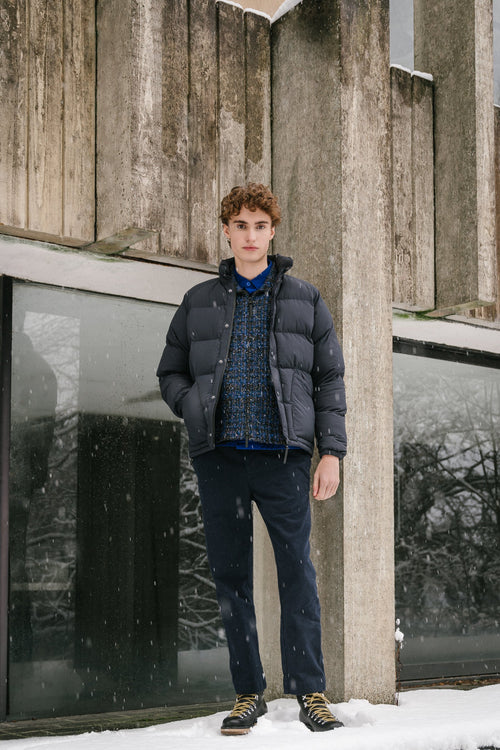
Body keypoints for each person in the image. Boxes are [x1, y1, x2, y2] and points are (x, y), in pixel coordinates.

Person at [157, 183, 347, 735]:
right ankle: (248, 694)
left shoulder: (306, 299)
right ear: (227, 231)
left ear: (272, 232)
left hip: (283, 458)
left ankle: (310, 692)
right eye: (240, 225)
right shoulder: (198, 301)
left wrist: (331, 452)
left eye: (260, 226)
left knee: (297, 573)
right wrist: (192, 406)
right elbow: (170, 372)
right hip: (220, 460)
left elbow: (329, 380)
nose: (250, 235)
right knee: (230, 577)